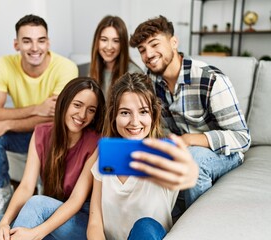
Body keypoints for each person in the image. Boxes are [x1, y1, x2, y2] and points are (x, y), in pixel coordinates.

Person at [129, 15, 251, 212]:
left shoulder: (210, 79)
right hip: (180, 149)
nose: (148, 54)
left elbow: (242, 138)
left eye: (154, 44)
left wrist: (189, 139)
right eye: (142, 50)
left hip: (223, 153)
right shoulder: (150, 82)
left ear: (174, 42)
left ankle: (197, 226)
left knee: (193, 159)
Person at [0, 77, 105, 240]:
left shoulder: (96, 143)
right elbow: (26, 186)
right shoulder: (41, 133)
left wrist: (36, 233)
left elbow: (76, 200)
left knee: (36, 203)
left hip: (78, 221)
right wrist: (5, 222)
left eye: (91, 110)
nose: (82, 115)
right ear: (64, 102)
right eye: (77, 105)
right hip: (44, 217)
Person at [0, 14, 78, 216]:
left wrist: (6, 124)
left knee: (50, 129)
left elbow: (57, 118)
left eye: (41, 40)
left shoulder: (66, 67)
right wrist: (36, 108)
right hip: (24, 134)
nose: (35, 48)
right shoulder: (2, 65)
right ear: (16, 44)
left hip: (53, 135)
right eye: (27, 41)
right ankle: (4, 190)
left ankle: (44, 191)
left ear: (48, 43)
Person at [87, 72, 199, 240]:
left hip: (149, 236)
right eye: (125, 113)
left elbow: (188, 173)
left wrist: (190, 172)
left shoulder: (162, 156)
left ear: (153, 116)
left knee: (145, 225)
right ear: (114, 117)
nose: (135, 121)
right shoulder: (106, 157)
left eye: (143, 112)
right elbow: (95, 223)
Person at [89, 15, 143, 95]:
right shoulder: (93, 71)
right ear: (97, 41)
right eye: (104, 40)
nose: (109, 47)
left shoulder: (133, 74)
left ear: (122, 44)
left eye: (116, 41)